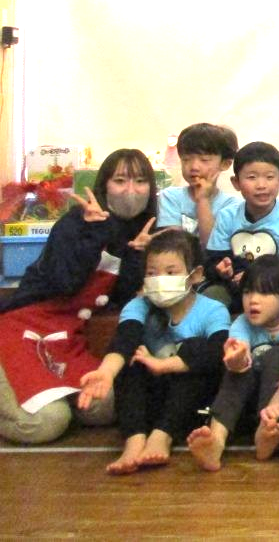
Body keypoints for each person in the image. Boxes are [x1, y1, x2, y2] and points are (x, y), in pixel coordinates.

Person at [0, 149, 160, 445]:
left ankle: (51, 400)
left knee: (105, 405)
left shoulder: (141, 232)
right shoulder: (75, 222)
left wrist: (137, 255)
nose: (130, 190)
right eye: (120, 181)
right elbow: (65, 283)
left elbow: (124, 299)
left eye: (140, 181)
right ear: (104, 186)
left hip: (67, 339)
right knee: (46, 423)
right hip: (23, 329)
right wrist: (95, 232)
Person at [77, 228, 230, 474]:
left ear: (195, 275)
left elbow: (217, 353)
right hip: (149, 402)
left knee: (196, 349)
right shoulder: (138, 305)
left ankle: (161, 437)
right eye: (152, 273)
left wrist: (166, 365)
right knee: (133, 359)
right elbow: (124, 340)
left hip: (191, 406)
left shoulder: (212, 310)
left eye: (171, 272)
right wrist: (106, 372)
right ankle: (135, 441)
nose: (160, 279)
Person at [186, 255, 279, 471]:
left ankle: (265, 433)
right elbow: (238, 348)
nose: (253, 300)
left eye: (264, 293)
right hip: (244, 403)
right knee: (238, 372)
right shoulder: (242, 323)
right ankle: (216, 440)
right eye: (247, 292)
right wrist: (236, 359)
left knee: (277, 356)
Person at [204, 142, 279, 308]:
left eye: (269, 177)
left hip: (275, 286)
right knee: (212, 295)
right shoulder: (227, 216)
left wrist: (253, 277)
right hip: (235, 286)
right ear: (236, 182)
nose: (261, 185)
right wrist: (221, 269)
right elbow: (212, 262)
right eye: (252, 177)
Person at [156, 123, 239, 244]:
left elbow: (211, 246)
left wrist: (203, 200)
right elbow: (174, 245)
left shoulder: (232, 205)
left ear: (225, 164)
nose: (194, 167)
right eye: (186, 159)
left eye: (204, 160)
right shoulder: (170, 197)